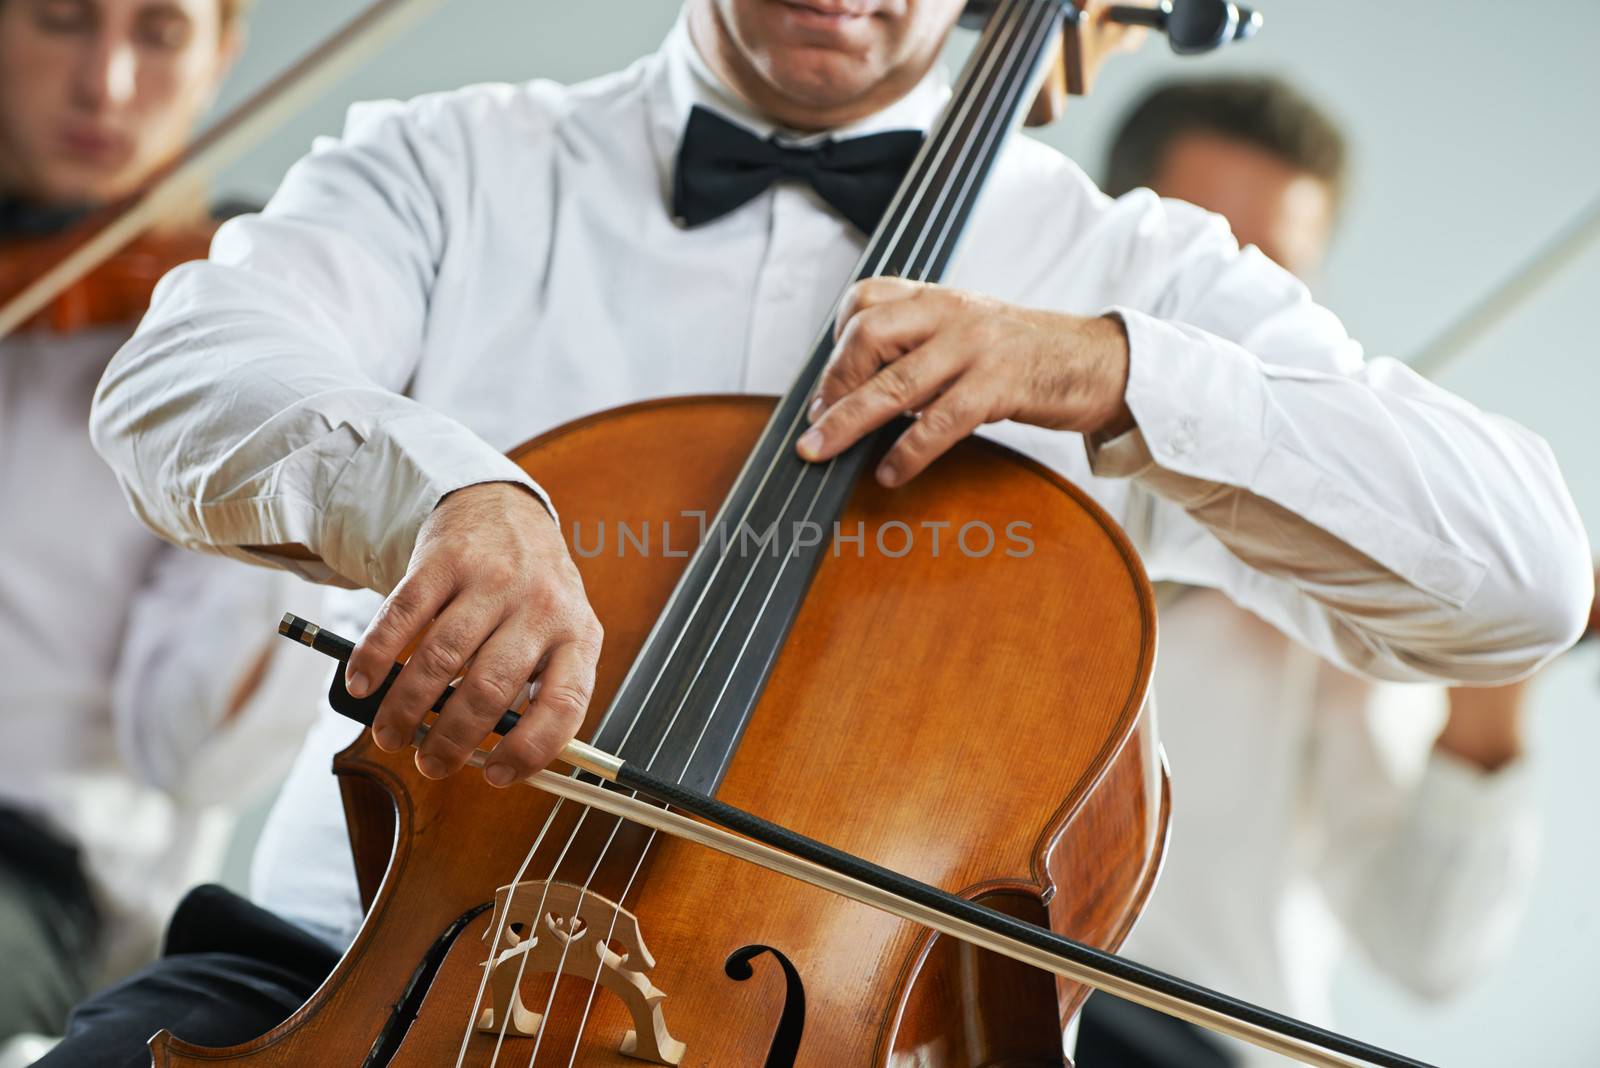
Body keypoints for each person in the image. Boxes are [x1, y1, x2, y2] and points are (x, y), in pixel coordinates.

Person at [50, 0, 1595, 1063]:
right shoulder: (451, 163)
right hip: (356, 975)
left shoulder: (1127, 266)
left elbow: (1526, 576)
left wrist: (1123, 370)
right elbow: (180, 380)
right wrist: (451, 493)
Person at [1073, 75, 1593, 1068]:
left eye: (1268, 277)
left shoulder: (1343, 574)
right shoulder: (986, 490)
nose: (1224, 310)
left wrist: (1488, 683)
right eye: (1202, 253)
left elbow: (1428, 951)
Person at [0, 0, 326, 1054]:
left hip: (35, 885)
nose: (108, 84)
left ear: (220, 56)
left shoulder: (208, 357)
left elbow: (198, 758)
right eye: (61, 21)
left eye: (158, 32)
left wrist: (284, 471)